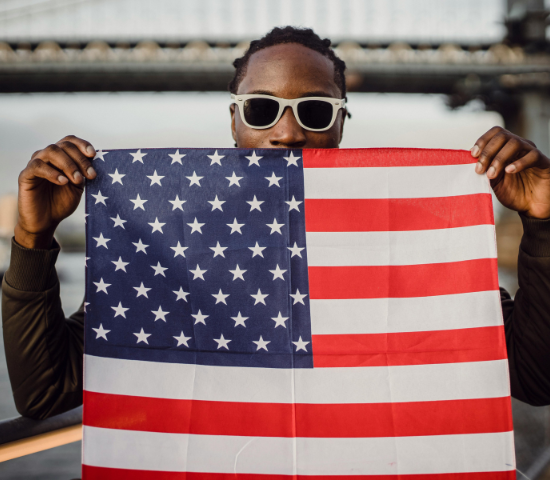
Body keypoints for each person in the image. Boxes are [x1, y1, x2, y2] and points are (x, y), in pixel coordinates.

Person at [3, 26, 550, 420]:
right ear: (235, 121)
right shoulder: (170, 245)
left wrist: (543, 225)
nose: (287, 133)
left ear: (340, 125)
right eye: (262, 109)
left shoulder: (406, 239)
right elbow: (45, 394)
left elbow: (534, 376)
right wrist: (33, 240)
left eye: (314, 111)